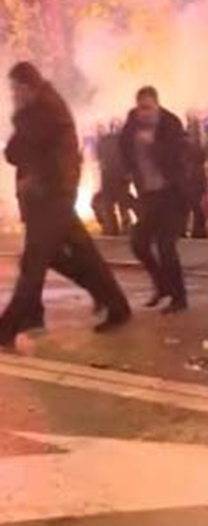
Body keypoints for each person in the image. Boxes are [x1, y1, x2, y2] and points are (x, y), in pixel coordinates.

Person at [0, 62, 131, 347]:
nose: (12, 94)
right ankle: (115, 304)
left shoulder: (39, 110)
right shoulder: (45, 106)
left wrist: (19, 117)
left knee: (34, 263)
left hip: (50, 196)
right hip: (54, 194)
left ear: (26, 86)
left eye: (14, 89)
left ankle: (7, 328)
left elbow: (13, 151)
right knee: (75, 255)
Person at [120, 86, 188, 314]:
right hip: (148, 195)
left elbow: (176, 157)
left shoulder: (171, 124)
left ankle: (179, 298)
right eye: (140, 109)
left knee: (166, 248)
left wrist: (153, 144)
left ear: (157, 105)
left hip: (172, 194)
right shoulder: (132, 121)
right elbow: (123, 144)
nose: (144, 114)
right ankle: (162, 285)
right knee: (138, 243)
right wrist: (128, 169)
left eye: (148, 109)